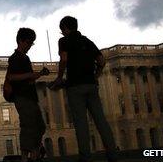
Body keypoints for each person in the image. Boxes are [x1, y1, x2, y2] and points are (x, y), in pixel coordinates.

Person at [50, 16, 118, 162]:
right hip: (91, 85)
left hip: (75, 86)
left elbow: (64, 59)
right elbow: (102, 61)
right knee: (101, 121)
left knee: (81, 124)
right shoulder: (87, 41)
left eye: (62, 30)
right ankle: (112, 155)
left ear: (65, 28)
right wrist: (96, 76)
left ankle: (86, 158)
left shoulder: (64, 41)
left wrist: (59, 77)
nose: (62, 33)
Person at [7, 28, 50, 162]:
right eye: (28, 42)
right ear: (20, 41)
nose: (30, 45)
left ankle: (34, 152)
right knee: (28, 126)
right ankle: (26, 157)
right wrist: (30, 75)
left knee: (40, 126)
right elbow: (11, 77)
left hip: (31, 96)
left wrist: (40, 74)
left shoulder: (26, 58)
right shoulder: (14, 58)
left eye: (32, 43)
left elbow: (29, 79)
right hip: (22, 97)